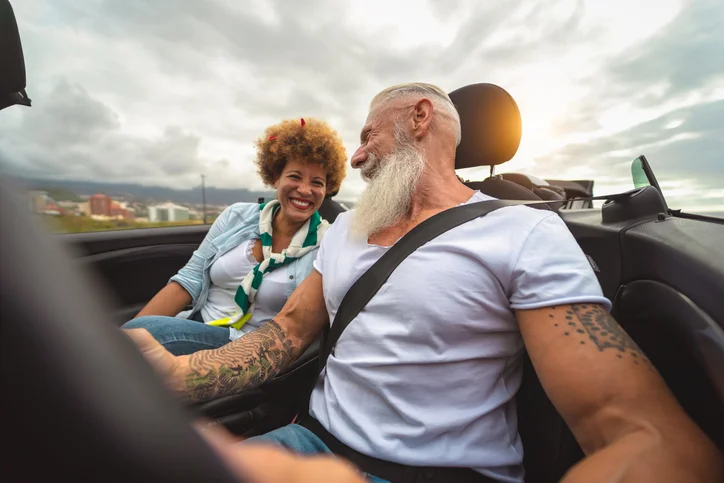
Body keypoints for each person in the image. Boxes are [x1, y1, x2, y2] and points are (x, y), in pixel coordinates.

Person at [126, 83, 722, 483]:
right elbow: (287, 334)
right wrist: (181, 377)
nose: (354, 160)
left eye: (366, 137)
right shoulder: (348, 231)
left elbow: (652, 440)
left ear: (419, 117)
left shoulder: (521, 233)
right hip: (307, 443)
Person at [123, 117, 347, 355]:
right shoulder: (236, 216)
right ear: (275, 177)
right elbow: (189, 280)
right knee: (134, 336)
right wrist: (132, 332)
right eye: (294, 176)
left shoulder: (327, 244)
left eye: (317, 182)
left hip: (248, 348)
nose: (304, 190)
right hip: (195, 323)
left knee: (141, 340)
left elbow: (303, 328)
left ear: (326, 188)